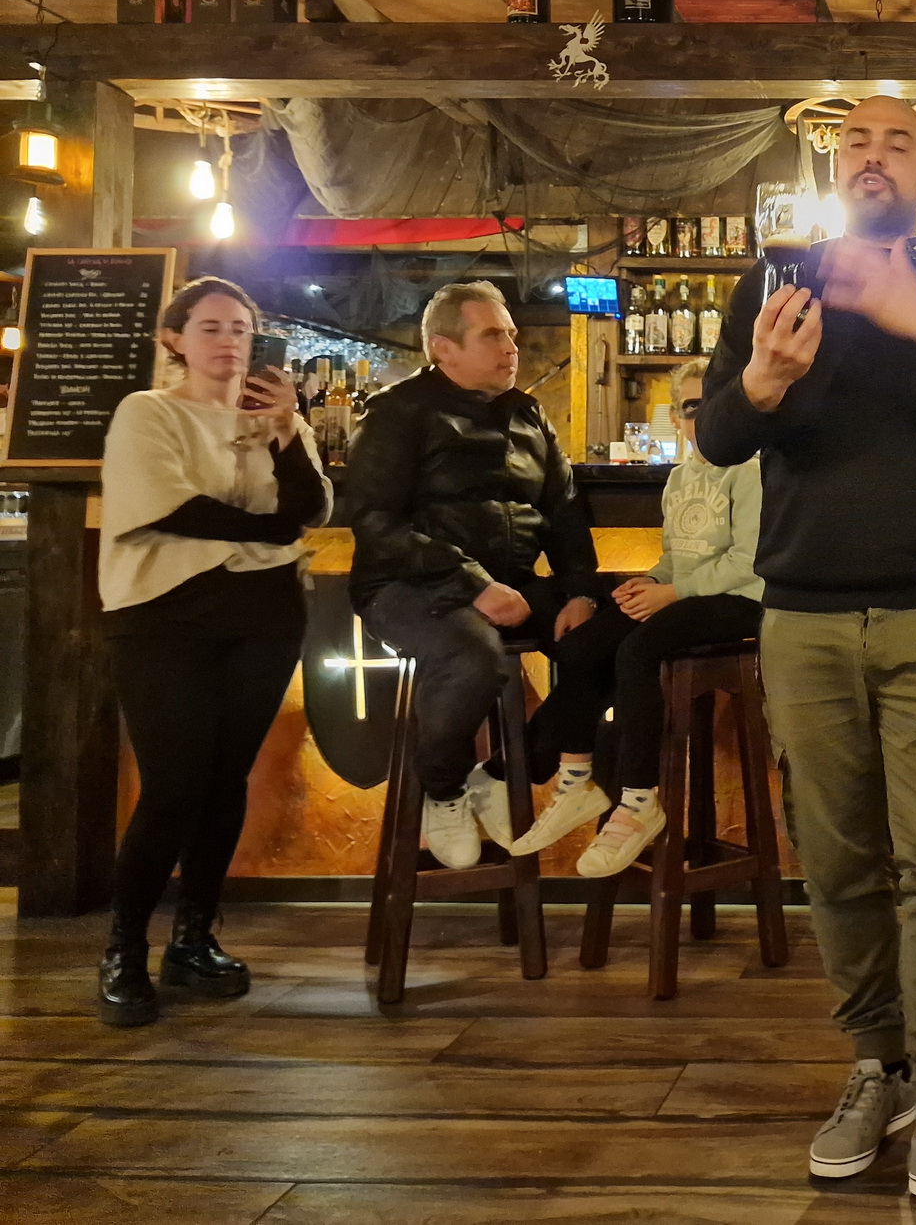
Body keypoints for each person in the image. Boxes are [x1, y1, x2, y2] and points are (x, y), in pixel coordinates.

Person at [698, 95, 916, 1216]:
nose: (874, 156)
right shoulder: (775, 282)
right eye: (855, 140)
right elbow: (718, 436)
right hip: (800, 613)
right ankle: (876, 1067)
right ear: (831, 165)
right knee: (837, 865)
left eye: (899, 141)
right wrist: (763, 377)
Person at [96, 278, 332, 1027]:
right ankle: (123, 948)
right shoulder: (148, 412)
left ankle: (194, 939)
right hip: (164, 613)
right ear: (174, 339)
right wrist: (273, 531)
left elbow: (312, 506)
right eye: (210, 328)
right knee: (173, 784)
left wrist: (288, 429)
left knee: (227, 778)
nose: (229, 341)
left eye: (240, 328)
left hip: (265, 614)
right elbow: (176, 510)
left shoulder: (276, 420)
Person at [345, 280, 618, 870]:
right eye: (493, 335)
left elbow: (565, 510)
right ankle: (443, 790)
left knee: (617, 638)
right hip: (408, 586)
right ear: (442, 347)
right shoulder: (396, 412)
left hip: (510, 584)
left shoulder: (528, 412)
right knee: (475, 658)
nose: (511, 347)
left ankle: (499, 776)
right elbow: (376, 526)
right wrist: (472, 583)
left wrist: (579, 590)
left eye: (512, 334)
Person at [506, 358, 765, 874]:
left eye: (714, 403)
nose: (702, 417)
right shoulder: (680, 478)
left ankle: (640, 800)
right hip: (685, 595)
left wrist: (672, 593)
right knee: (582, 642)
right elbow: (675, 557)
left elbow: (749, 562)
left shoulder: (752, 470)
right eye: (691, 407)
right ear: (677, 416)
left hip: (743, 602)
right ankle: (576, 781)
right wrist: (651, 582)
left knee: (637, 650)